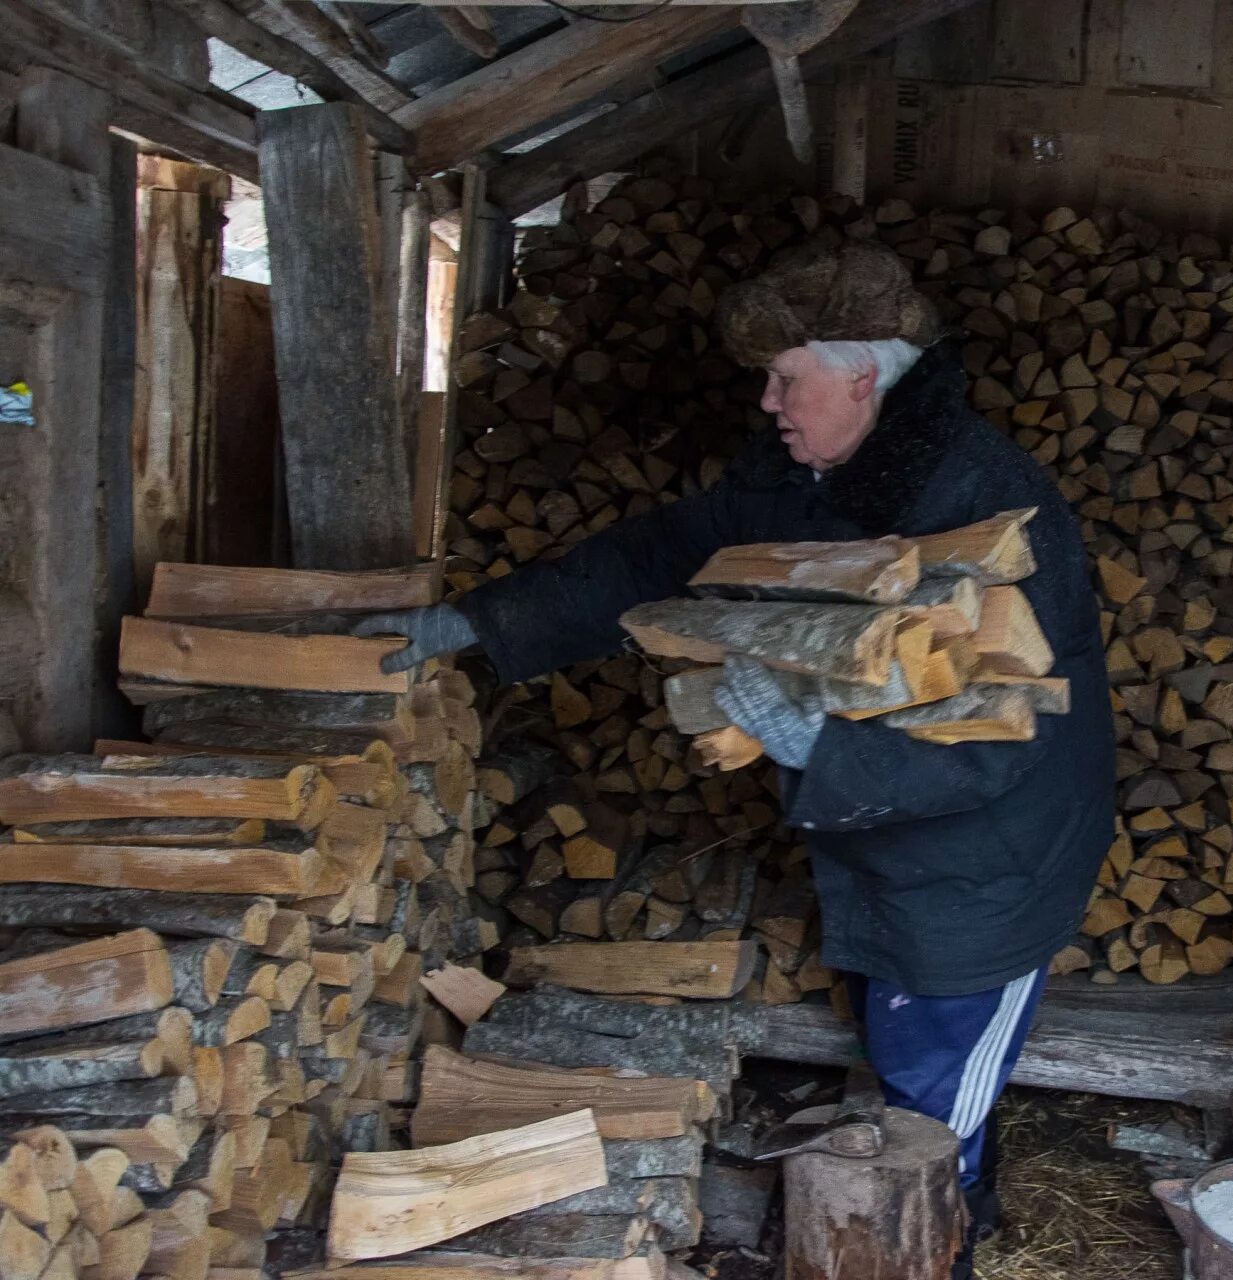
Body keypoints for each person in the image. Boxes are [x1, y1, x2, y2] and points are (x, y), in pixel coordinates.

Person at [358, 239, 1115, 1274]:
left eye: (785, 377)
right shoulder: (809, 470)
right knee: (888, 1031)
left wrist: (812, 739)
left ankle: (948, 1232)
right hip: (884, 841)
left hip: (986, 858)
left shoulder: (979, 505)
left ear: (864, 373)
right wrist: (478, 625)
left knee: (935, 1090)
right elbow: (660, 553)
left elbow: (1006, 734)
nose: (767, 400)